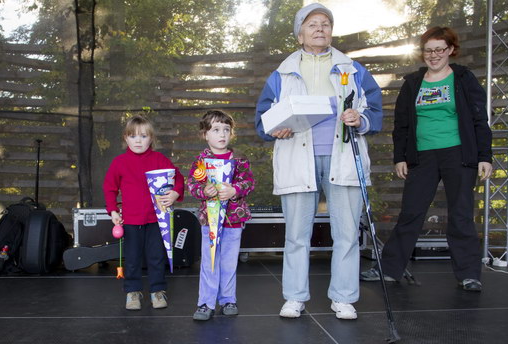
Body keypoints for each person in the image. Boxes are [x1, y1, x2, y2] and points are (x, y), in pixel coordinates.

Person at [255, 3, 382, 320]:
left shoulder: (354, 70)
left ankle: (344, 298)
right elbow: (263, 120)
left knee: (347, 233)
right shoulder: (282, 73)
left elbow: (375, 111)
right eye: (312, 24)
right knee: (296, 235)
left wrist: (360, 119)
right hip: (298, 159)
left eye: (325, 23)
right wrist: (276, 129)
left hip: (344, 159)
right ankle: (294, 298)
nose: (320, 28)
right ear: (299, 35)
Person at [367, 27, 492, 291]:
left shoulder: (463, 78)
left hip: (459, 154)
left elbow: (480, 118)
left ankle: (469, 275)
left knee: (461, 214)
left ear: (450, 50)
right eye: (428, 50)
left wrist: (484, 156)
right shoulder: (413, 82)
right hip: (422, 155)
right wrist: (400, 157)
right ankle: (389, 269)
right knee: (411, 212)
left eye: (439, 49)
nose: (434, 55)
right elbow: (401, 124)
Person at [103, 115, 185, 310]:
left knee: (156, 257)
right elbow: (109, 188)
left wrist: (175, 193)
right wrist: (113, 210)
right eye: (133, 136)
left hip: (157, 219)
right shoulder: (119, 162)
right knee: (132, 259)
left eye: (143, 136)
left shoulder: (159, 159)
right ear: (126, 138)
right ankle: (132, 292)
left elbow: (178, 178)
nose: (138, 141)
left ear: (151, 138)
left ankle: (158, 291)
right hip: (131, 221)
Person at [187, 110, 255, 321]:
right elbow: (193, 185)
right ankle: (205, 303)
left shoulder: (240, 160)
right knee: (210, 262)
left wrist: (234, 190)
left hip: (234, 221)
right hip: (210, 221)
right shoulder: (201, 162)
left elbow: (249, 182)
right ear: (205, 134)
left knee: (229, 263)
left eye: (226, 129)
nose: (222, 134)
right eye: (216, 130)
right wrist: (204, 191)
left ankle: (228, 300)